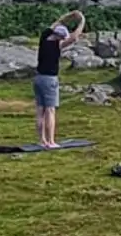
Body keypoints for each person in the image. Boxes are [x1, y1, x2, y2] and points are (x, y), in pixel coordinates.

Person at [34, 10, 87, 148]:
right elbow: (75, 37)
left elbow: (57, 22)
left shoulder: (44, 37)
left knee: (40, 110)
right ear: (60, 37)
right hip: (50, 79)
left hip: (38, 78)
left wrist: (69, 16)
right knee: (50, 110)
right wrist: (81, 20)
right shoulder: (57, 45)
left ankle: (41, 141)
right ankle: (51, 142)